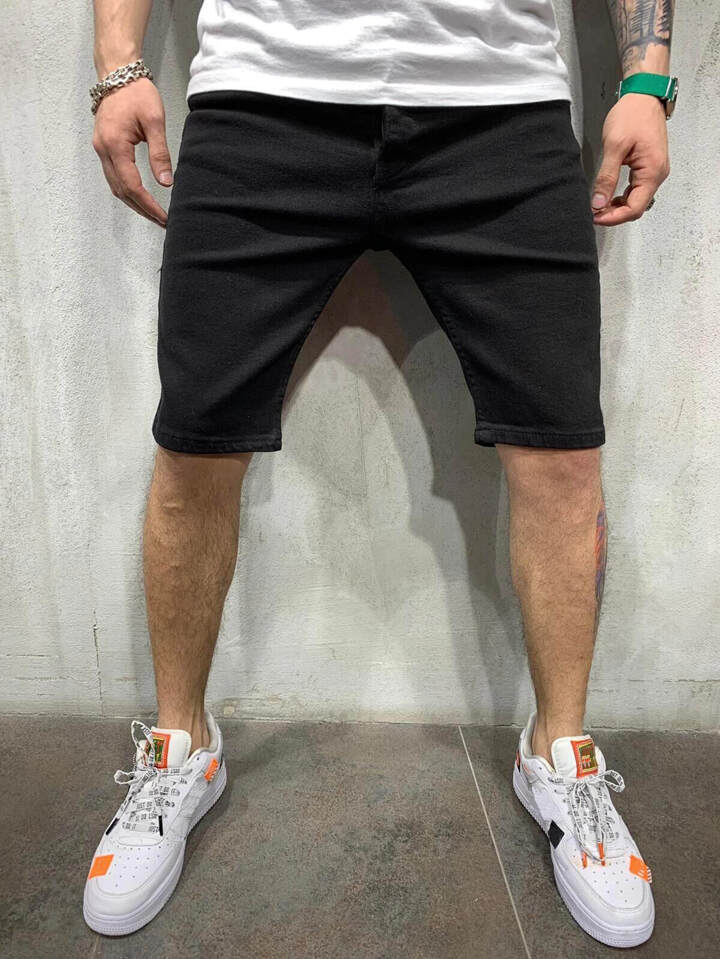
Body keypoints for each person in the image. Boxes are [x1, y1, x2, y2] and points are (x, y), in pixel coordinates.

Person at [84, 0, 676, 946]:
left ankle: (558, 752)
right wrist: (119, 64)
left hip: (502, 104)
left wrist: (645, 78)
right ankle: (179, 747)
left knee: (564, 452)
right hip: (262, 96)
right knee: (194, 445)